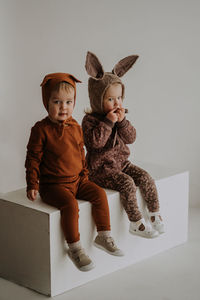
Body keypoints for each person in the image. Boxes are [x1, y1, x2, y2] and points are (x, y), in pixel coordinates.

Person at [25, 72, 123, 272]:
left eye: (69, 102)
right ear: (47, 102)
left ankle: (103, 236)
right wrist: (33, 183)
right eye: (57, 102)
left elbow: (81, 152)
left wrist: (84, 176)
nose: (64, 107)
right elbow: (33, 158)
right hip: (53, 185)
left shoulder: (76, 126)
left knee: (99, 194)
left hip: (77, 181)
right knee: (70, 205)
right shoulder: (41, 129)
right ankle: (75, 248)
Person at [82, 52, 165, 239]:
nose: (116, 103)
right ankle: (136, 223)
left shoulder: (120, 117)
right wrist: (108, 123)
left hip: (122, 163)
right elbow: (95, 144)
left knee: (145, 177)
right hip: (101, 169)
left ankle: (154, 214)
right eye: (110, 99)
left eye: (119, 98)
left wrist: (122, 121)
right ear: (97, 100)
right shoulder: (90, 121)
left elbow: (131, 138)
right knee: (127, 183)